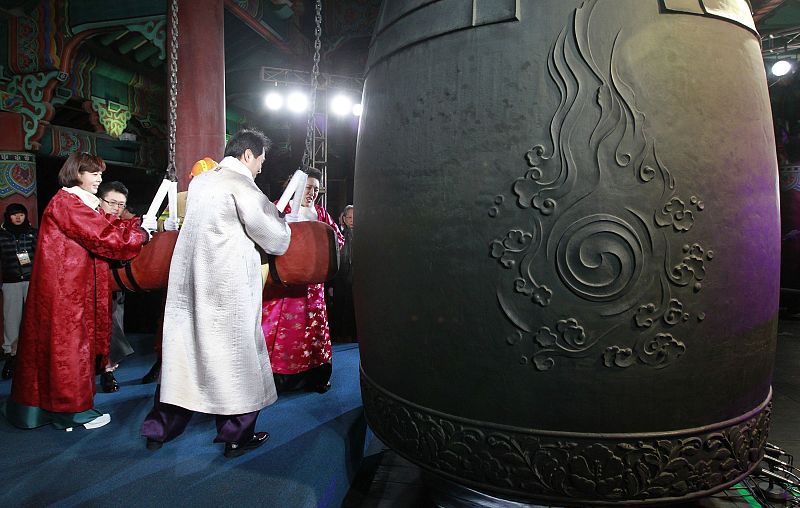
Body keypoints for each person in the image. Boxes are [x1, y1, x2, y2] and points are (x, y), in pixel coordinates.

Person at [141, 129, 292, 458]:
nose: (261, 169)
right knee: (237, 361)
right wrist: (283, 223)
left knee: (185, 357)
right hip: (227, 289)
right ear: (248, 155)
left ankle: (160, 429)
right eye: (261, 162)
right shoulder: (240, 185)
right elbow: (274, 238)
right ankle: (236, 435)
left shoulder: (201, 182)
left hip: (191, 285)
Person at [4, 152, 148, 431]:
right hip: (65, 291)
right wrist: (140, 235)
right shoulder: (68, 202)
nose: (99, 178)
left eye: (100, 173)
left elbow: (104, 229)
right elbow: (105, 237)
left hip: (66, 287)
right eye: (93, 173)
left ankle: (42, 406)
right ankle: (70, 411)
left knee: (55, 346)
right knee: (68, 348)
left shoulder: (74, 202)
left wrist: (133, 227)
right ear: (76, 173)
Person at [262, 168, 344, 393]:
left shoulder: (321, 213)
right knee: (280, 330)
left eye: (316, 189)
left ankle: (316, 376)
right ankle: (273, 378)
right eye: (308, 187)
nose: (312, 193)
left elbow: (338, 241)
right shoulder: (280, 207)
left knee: (314, 330)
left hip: (313, 288)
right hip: (283, 286)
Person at [97, 181, 134, 392]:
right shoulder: (90, 221)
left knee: (114, 322)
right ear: (100, 200)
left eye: (121, 204)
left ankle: (108, 371)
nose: (116, 208)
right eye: (111, 202)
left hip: (115, 283)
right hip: (90, 284)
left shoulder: (122, 226)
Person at [0, 203, 38, 379]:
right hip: (11, 282)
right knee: (11, 320)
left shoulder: (32, 233)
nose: (18, 217)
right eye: (14, 214)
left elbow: (40, 256)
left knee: (34, 318)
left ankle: (35, 355)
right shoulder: (1, 235)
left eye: (21, 214)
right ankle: (11, 356)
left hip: (32, 282)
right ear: (8, 216)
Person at [331, 205, 356, 342]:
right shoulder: (338, 235)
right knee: (339, 306)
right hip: (340, 278)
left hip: (357, 280)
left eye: (355, 217)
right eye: (349, 217)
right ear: (344, 219)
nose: (352, 220)